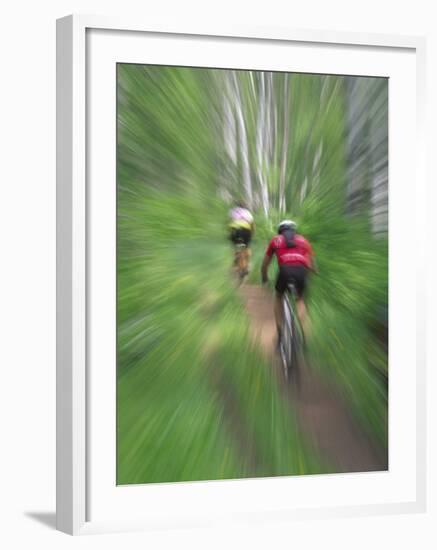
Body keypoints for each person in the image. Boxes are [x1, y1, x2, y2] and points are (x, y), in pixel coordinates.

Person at [261, 219, 315, 343]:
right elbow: (312, 265)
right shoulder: (303, 240)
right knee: (300, 300)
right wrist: (309, 278)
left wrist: (264, 277)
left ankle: (280, 334)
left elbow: (265, 264)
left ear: (280, 231)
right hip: (302, 272)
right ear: (294, 230)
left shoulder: (276, 240)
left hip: (285, 271)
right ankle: (305, 336)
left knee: (278, 297)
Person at [228, 201, 255, 276]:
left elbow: (230, 222)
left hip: (235, 230)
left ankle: (236, 260)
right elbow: (252, 225)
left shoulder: (232, 211)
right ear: (245, 207)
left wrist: (230, 233)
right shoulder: (248, 213)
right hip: (246, 231)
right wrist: (252, 233)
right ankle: (247, 266)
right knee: (246, 247)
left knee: (236, 247)